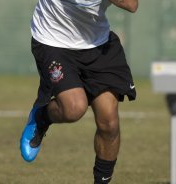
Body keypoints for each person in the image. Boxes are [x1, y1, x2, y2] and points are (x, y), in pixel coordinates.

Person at [20, 0, 138, 183]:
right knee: (74, 108)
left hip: (97, 43)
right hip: (53, 40)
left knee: (109, 122)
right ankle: (41, 117)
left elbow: (132, 4)